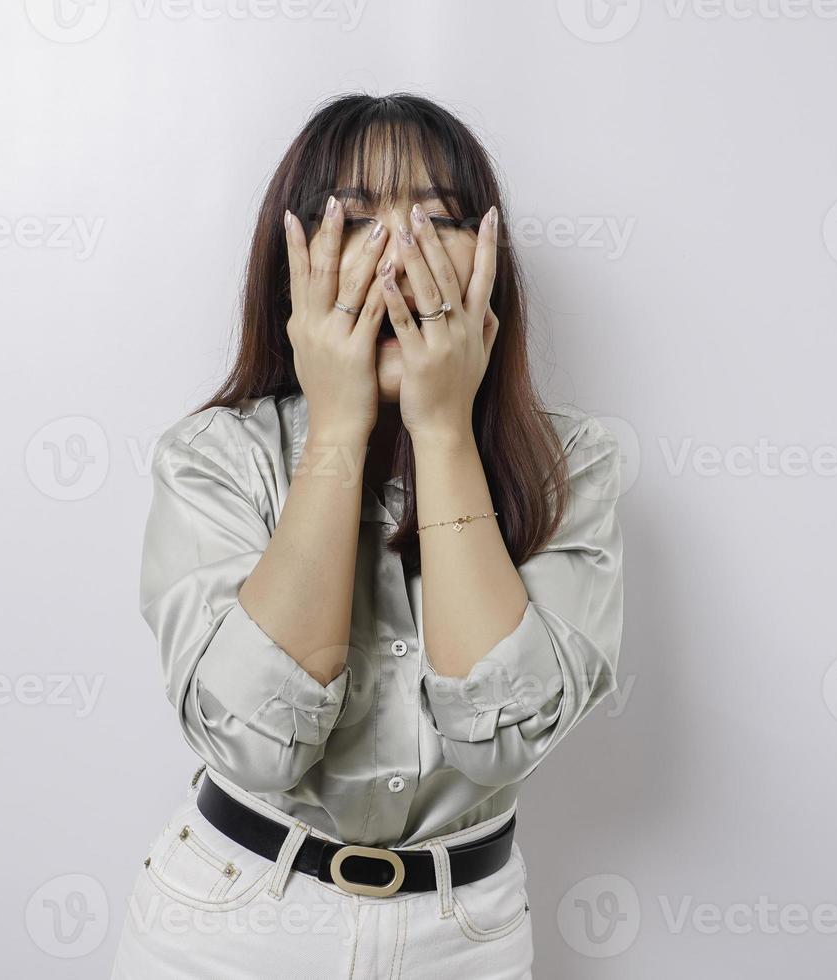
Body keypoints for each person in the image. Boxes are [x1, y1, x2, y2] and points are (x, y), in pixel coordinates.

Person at [109, 92, 625, 979]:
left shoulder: (574, 462)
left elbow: (503, 737)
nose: (399, 258)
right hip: (227, 926)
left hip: (468, 937)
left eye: (441, 219)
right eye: (354, 219)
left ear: (490, 264)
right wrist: (339, 430)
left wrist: (444, 429)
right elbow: (256, 746)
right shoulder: (212, 456)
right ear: (293, 262)